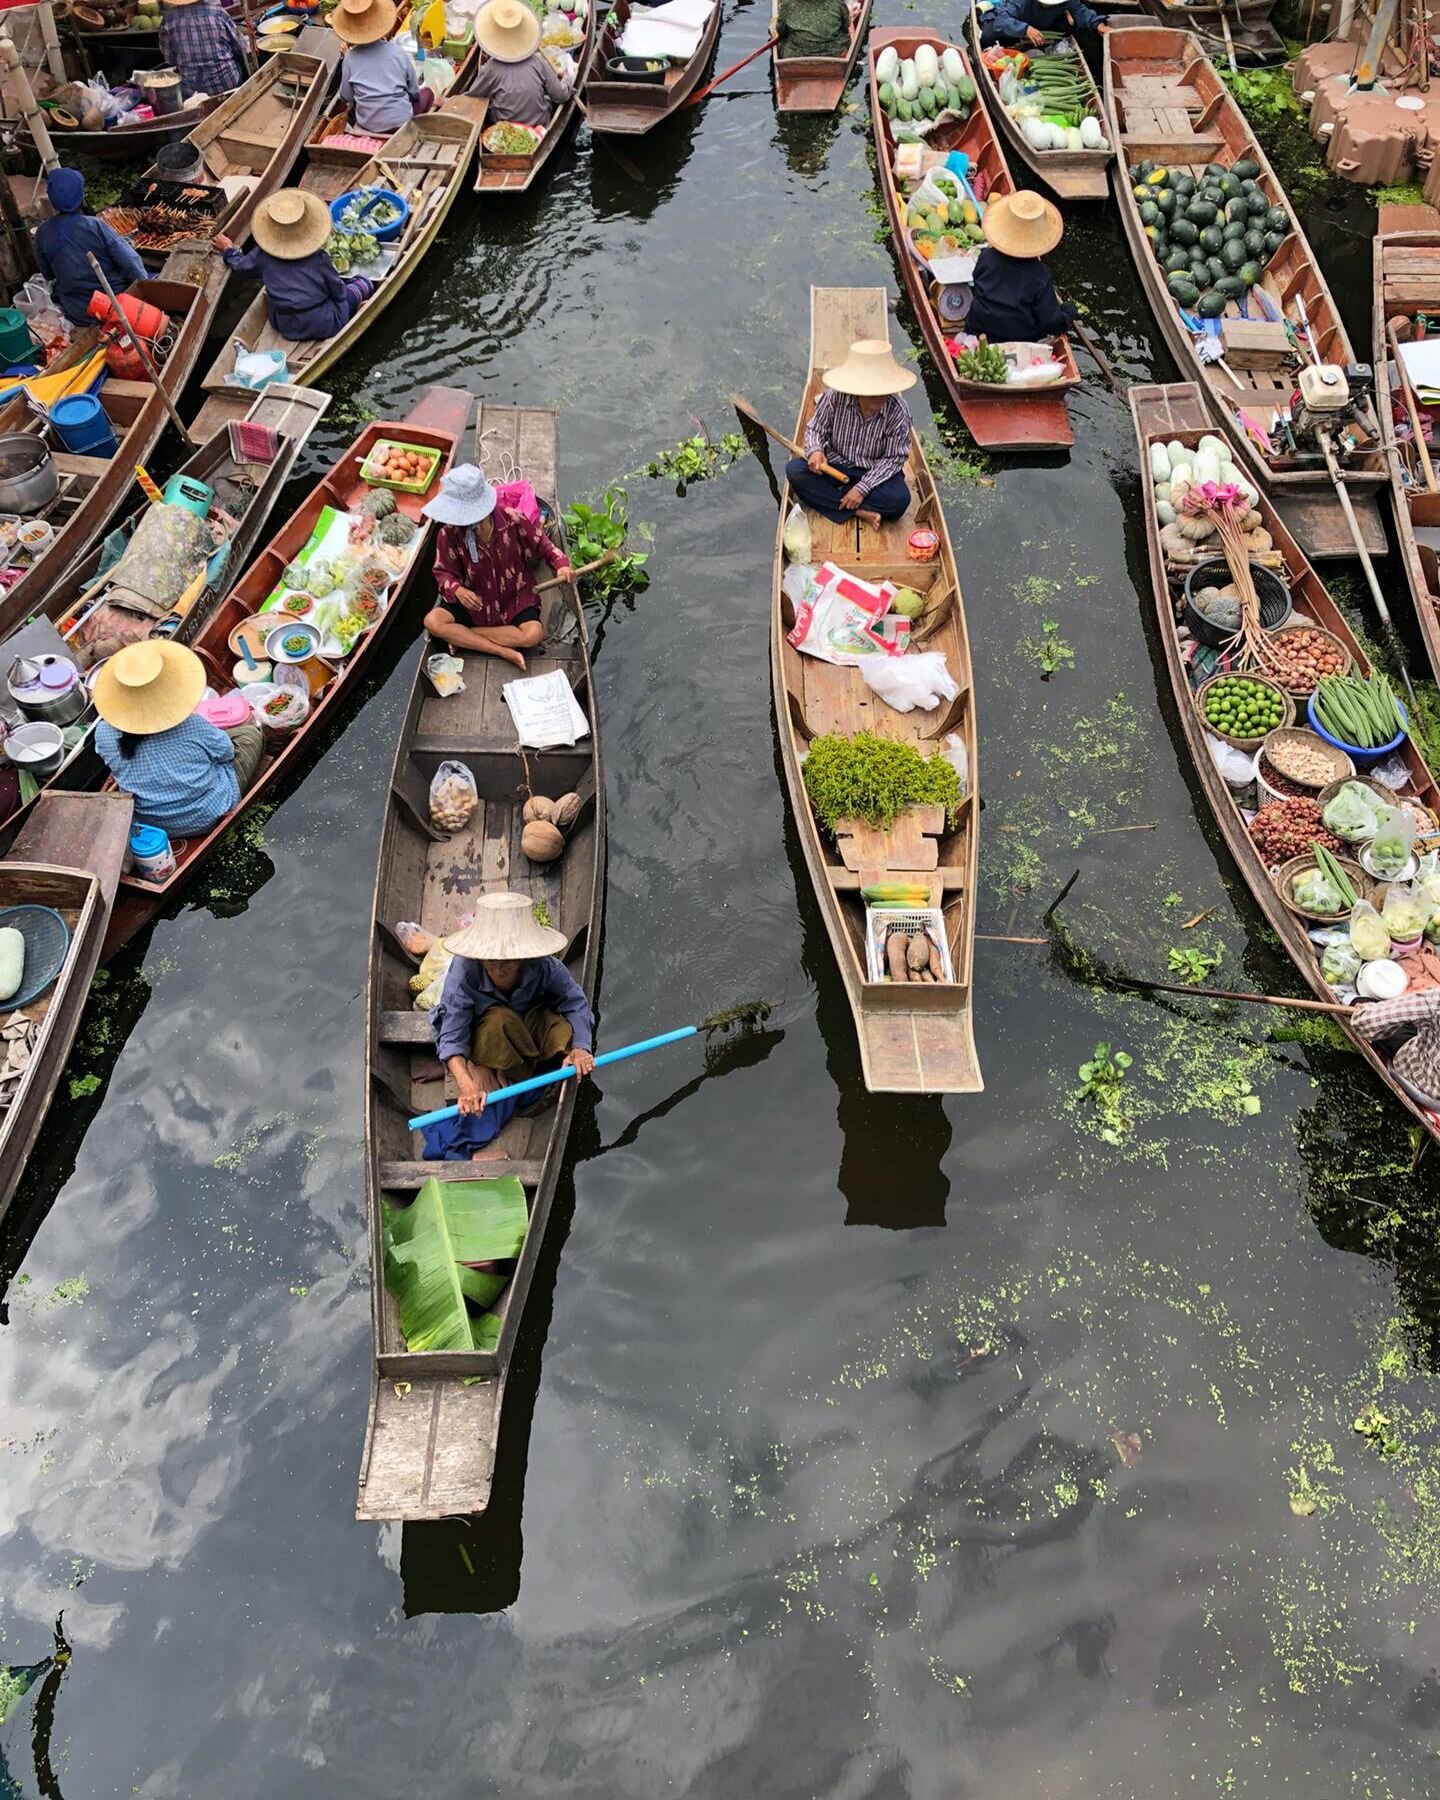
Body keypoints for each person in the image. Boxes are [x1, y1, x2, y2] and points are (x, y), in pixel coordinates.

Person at [427, 890, 595, 1161]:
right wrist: (467, 1082)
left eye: (508, 960)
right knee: (499, 1021)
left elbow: (575, 1003)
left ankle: (534, 1069)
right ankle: (491, 1068)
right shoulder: (464, 971)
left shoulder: (543, 966)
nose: (500, 967)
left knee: (562, 1030)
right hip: (487, 1032)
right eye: (492, 960)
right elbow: (452, 1035)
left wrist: (580, 1049)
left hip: (526, 1023)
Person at [93, 641, 263, 836]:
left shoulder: (103, 733)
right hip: (209, 812)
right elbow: (227, 752)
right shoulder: (191, 725)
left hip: (156, 826)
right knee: (250, 735)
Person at [421, 464, 572, 670]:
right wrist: (459, 590)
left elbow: (543, 544)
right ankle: (502, 650)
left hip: (514, 596)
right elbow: (442, 572)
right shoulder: (448, 534)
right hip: (474, 601)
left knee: (533, 634)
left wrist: (561, 565)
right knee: (433, 621)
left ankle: (463, 637)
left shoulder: (512, 519)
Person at [784, 338, 915, 528]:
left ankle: (838, 500)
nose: (880, 395)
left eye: (884, 389)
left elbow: (894, 458)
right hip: (837, 465)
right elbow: (815, 428)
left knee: (899, 500)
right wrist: (815, 450)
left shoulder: (898, 411)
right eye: (874, 389)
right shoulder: (835, 397)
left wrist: (862, 488)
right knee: (795, 472)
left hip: (874, 471)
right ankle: (859, 511)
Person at [214, 190, 373, 343]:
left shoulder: (263, 255)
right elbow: (338, 293)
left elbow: (241, 267)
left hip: (287, 326)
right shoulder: (319, 258)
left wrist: (229, 251)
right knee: (363, 284)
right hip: (325, 323)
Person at [32, 167, 147, 328]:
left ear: (51, 198)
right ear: (81, 195)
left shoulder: (43, 232)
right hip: (113, 306)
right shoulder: (95, 226)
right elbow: (132, 263)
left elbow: (48, 274)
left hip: (77, 311)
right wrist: (148, 296)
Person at [964, 189, 1077, 344]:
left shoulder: (986, 256)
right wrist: (1068, 312)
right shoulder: (1040, 275)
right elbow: (1051, 323)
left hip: (977, 330)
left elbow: (977, 284)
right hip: (1020, 340)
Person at [461, 0, 570, 129]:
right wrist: (566, 78)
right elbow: (561, 96)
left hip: (503, 128)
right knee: (546, 97)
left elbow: (473, 97)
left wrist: (447, 101)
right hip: (538, 125)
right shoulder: (538, 62)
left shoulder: (491, 69)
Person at [332, 0, 433, 136]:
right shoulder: (397, 51)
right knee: (427, 93)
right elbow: (414, 91)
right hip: (400, 121)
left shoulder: (349, 58)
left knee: (352, 111)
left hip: (367, 124)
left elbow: (346, 96)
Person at [159, 0, 247, 99]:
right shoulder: (218, 13)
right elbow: (242, 47)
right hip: (226, 83)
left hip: (192, 89)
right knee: (240, 62)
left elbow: (169, 59)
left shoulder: (168, 20)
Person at [979, 0, 1106, 46]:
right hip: (1018, 24)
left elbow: (1080, 11)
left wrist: (1098, 25)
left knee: (1071, 26)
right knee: (988, 34)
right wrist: (1025, 29)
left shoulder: (1065, 1)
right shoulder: (1021, 2)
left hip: (1042, 24)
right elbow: (1002, 20)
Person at [775, 0, 852, 59]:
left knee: (782, 41)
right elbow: (845, 27)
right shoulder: (837, 2)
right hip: (834, 54)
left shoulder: (788, 3)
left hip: (795, 55)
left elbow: (781, 31)